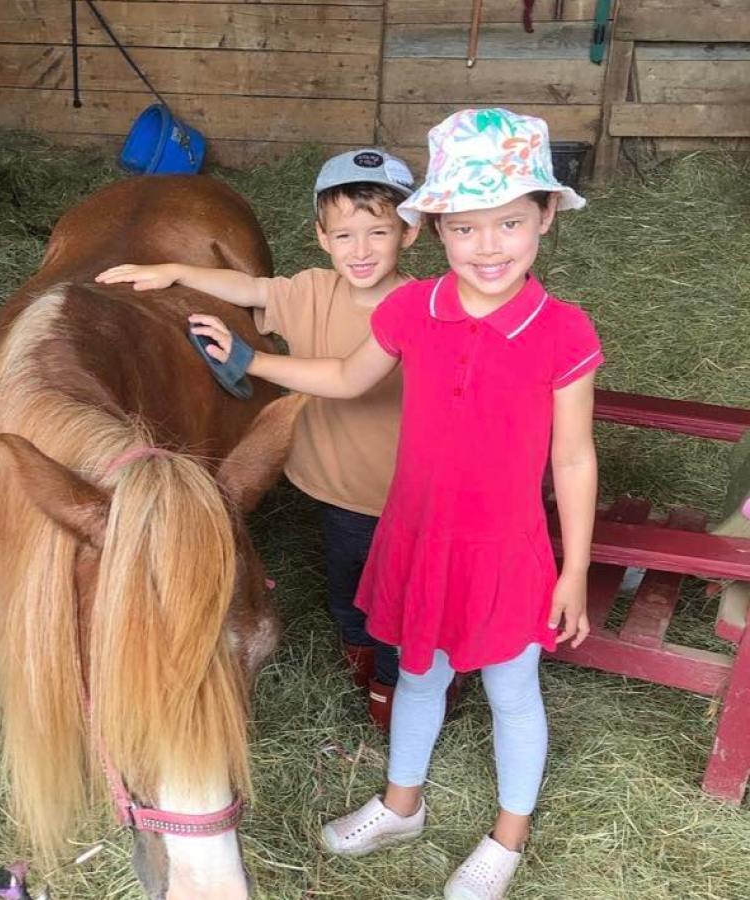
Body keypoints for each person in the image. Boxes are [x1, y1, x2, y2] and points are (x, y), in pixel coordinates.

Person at [188, 108, 602, 899]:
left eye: (510, 223)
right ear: (436, 228)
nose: (488, 247)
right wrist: (250, 360)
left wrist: (574, 568)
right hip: (418, 536)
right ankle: (402, 804)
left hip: (504, 549)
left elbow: (574, 456)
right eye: (466, 228)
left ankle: (507, 838)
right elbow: (346, 378)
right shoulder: (412, 310)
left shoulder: (563, 332)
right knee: (416, 674)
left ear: (546, 216)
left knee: (513, 691)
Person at [96, 148, 420, 729]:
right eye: (345, 235)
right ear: (321, 237)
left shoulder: (424, 309)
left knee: (398, 599)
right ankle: (360, 654)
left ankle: (394, 687)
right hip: (335, 487)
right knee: (348, 587)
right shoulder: (313, 290)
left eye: (379, 232)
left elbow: (348, 378)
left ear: (410, 232)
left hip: (406, 492)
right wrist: (175, 272)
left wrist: (251, 361)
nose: (361, 250)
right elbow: (250, 290)